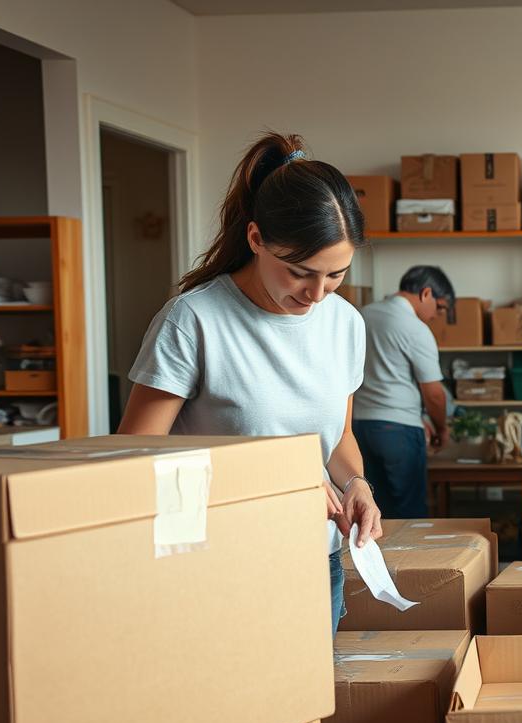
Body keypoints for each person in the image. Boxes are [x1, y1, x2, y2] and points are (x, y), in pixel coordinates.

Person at [119, 131, 382, 635]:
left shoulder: (345, 323)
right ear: (256, 239)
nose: (317, 294)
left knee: (301, 713)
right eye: (301, 273)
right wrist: (274, 486)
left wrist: (357, 485)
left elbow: (338, 438)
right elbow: (134, 456)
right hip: (209, 561)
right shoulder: (194, 320)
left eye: (336, 275)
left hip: (311, 559)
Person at [353, 266, 455, 519]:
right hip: (399, 432)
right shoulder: (415, 328)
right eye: (440, 307)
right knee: (409, 513)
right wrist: (441, 427)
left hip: (357, 428)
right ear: (426, 293)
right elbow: (434, 394)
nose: (436, 316)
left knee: (372, 511)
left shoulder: (361, 315)